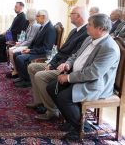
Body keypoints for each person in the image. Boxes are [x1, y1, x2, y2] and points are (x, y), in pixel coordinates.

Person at [47, 13, 120, 142]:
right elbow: (75, 55)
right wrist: (68, 64)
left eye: (90, 25)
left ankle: (84, 128)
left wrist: (68, 78)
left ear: (101, 29)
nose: (87, 27)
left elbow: (93, 73)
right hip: (80, 76)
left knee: (64, 97)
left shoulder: (109, 48)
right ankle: (72, 120)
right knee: (52, 87)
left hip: (95, 84)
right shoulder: (89, 38)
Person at [26, 6, 88, 120]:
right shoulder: (74, 30)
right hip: (57, 63)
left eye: (71, 14)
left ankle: (52, 110)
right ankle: (39, 102)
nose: (69, 16)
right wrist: (51, 64)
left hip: (66, 68)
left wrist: (54, 65)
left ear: (79, 16)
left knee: (40, 76)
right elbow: (61, 51)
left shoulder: (86, 34)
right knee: (32, 67)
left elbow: (74, 56)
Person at [13, 10, 56, 88]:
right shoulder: (42, 26)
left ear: (43, 17)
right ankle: (22, 77)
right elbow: (34, 42)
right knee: (16, 54)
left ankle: (27, 81)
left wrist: (31, 51)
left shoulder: (50, 29)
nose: (36, 18)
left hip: (41, 54)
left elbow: (46, 48)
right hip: (36, 51)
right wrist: (28, 48)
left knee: (20, 58)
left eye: (37, 16)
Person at [6, 8, 40, 78]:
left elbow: (30, 41)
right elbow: (26, 38)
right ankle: (16, 69)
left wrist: (20, 44)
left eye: (28, 13)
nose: (26, 14)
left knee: (13, 51)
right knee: (10, 49)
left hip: (28, 46)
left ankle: (16, 71)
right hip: (26, 44)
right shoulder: (30, 24)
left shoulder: (35, 26)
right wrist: (19, 43)